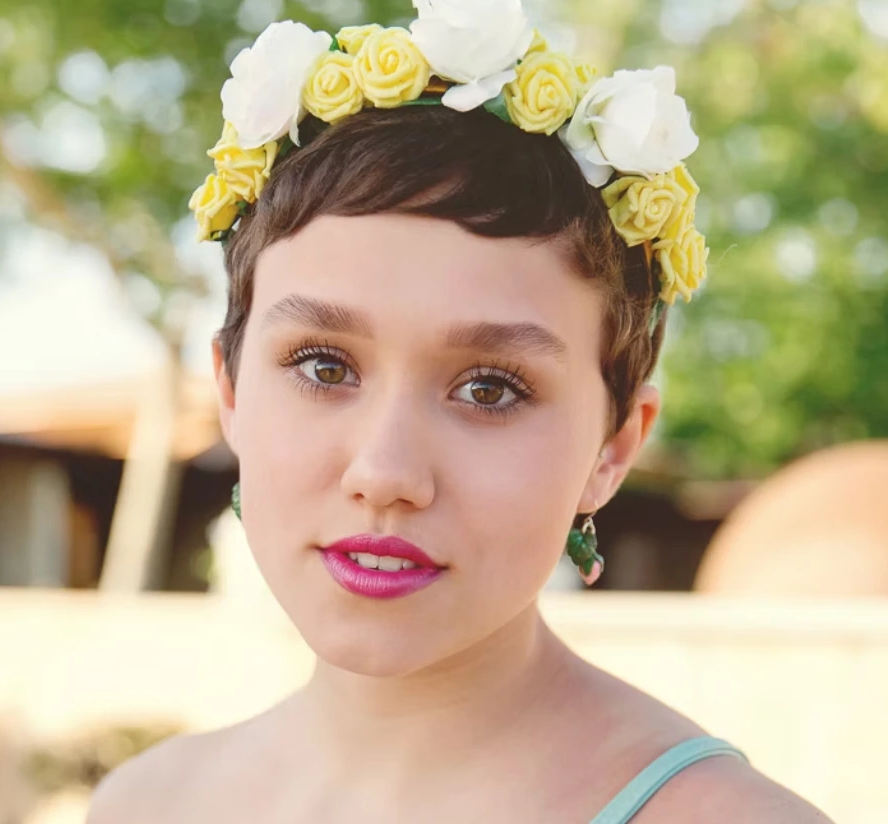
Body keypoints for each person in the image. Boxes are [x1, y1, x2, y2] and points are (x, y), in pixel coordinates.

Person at [89, 3, 834, 822]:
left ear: (612, 448)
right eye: (323, 366)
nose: (384, 473)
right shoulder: (144, 804)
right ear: (229, 392)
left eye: (489, 389)